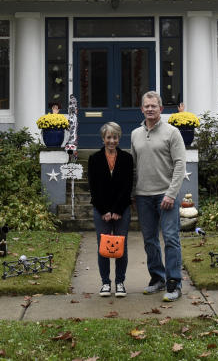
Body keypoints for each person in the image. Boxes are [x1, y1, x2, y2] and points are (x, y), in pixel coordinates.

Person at [131, 91, 187, 302]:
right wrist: (133, 193)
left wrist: (171, 193)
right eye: (147, 106)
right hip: (143, 196)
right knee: (150, 241)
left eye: (154, 106)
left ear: (161, 109)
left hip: (166, 195)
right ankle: (157, 278)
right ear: (142, 109)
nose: (150, 109)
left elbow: (180, 164)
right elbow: (134, 167)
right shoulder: (136, 134)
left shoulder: (172, 133)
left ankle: (174, 283)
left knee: (171, 239)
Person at [87, 122, 134, 297]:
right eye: (108, 137)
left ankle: (120, 282)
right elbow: (94, 188)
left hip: (122, 210)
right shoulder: (94, 159)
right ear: (103, 138)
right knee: (104, 247)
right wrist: (105, 210)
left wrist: (117, 209)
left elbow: (127, 186)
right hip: (101, 211)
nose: (111, 141)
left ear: (119, 138)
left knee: (121, 246)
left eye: (115, 137)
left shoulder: (127, 159)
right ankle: (105, 283)